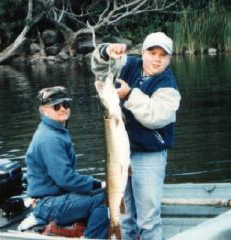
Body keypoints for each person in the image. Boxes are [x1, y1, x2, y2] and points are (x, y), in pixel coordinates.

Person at [91, 32, 181, 240]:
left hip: (150, 156)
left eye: (163, 55)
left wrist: (130, 95)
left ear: (169, 58)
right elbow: (100, 69)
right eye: (152, 52)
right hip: (120, 156)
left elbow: (156, 116)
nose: (157, 59)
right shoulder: (129, 65)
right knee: (124, 216)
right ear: (142, 53)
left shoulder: (168, 85)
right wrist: (106, 51)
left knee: (148, 220)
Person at [19, 86, 109, 239]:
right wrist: (96, 184)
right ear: (44, 111)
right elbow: (65, 178)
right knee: (104, 198)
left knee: (98, 191)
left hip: (52, 198)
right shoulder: (50, 138)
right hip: (47, 204)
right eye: (56, 106)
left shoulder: (55, 131)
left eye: (66, 104)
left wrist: (93, 184)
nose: (62, 109)